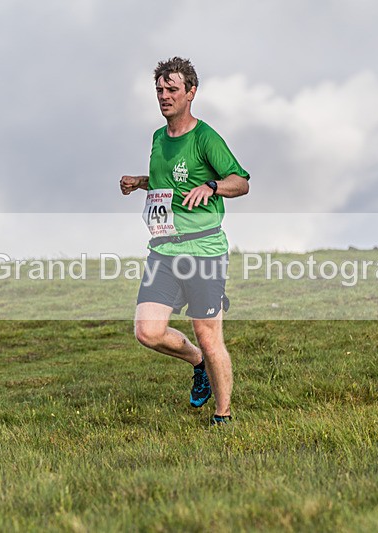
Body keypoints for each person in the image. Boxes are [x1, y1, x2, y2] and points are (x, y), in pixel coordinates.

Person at [120, 57, 250, 426]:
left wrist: (212, 186)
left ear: (191, 93)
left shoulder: (206, 138)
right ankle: (198, 363)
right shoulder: (158, 138)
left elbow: (240, 182)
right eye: (160, 90)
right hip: (164, 249)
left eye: (172, 89)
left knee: (208, 336)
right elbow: (168, 183)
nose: (164, 96)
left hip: (203, 251)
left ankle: (223, 416)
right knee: (148, 331)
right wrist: (141, 182)